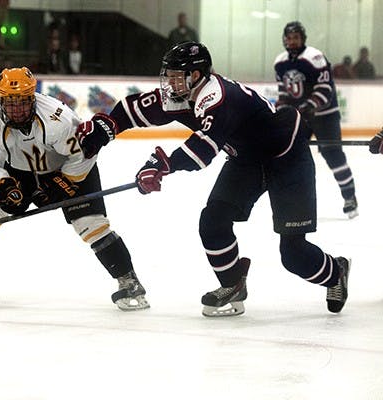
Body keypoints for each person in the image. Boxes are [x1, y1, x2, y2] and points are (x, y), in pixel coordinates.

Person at [75, 42, 350, 317]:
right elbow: (134, 108)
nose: (169, 82)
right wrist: (107, 128)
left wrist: (164, 164)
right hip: (247, 161)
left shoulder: (217, 96)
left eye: (175, 75)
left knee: (293, 254)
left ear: (195, 75)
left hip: (287, 159)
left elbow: (203, 150)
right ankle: (232, 285)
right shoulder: (181, 93)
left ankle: (336, 272)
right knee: (213, 221)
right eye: (168, 74)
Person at [0, 67, 149, 311]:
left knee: (91, 226)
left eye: (22, 103)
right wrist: (4, 187)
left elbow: (83, 153)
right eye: (10, 103)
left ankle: (129, 281)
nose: (16, 110)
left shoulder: (58, 119)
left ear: (32, 98)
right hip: (22, 172)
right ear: (0, 100)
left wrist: (64, 182)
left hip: (71, 169)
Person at [274, 21, 358, 218]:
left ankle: (349, 196)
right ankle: (294, 201)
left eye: (296, 37)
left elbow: (325, 88)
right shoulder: (280, 62)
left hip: (325, 115)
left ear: (303, 38)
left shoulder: (315, 57)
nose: (292, 41)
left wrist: (309, 105)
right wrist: (281, 109)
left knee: (333, 156)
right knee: (292, 156)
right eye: (289, 38)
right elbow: (284, 92)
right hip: (301, 116)